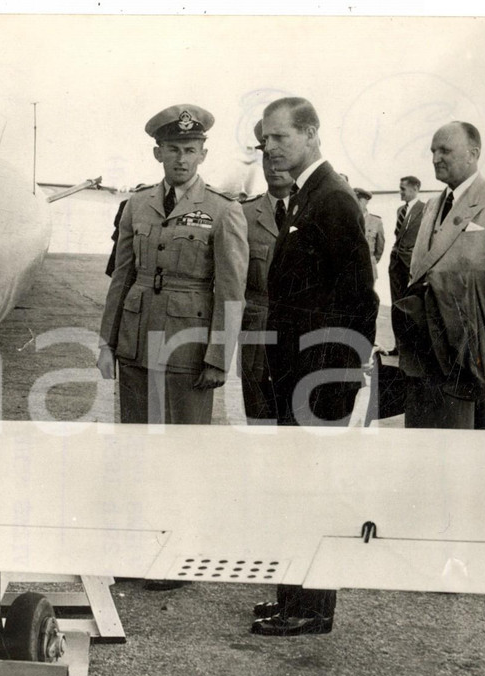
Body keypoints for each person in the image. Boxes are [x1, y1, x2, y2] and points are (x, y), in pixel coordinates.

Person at [251, 96, 379, 637]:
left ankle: (310, 609)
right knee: (296, 491)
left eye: (279, 137)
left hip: (319, 379)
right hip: (299, 374)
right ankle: (294, 598)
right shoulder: (307, 198)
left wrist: (335, 385)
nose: (270, 149)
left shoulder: (333, 200)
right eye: (264, 141)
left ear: (310, 133)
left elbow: (360, 302)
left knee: (312, 492)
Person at [97, 105, 248, 426]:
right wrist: (107, 345)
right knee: (135, 438)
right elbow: (122, 278)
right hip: (135, 344)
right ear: (158, 153)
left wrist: (218, 359)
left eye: (190, 151)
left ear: (202, 155)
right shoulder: (137, 204)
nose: (182, 159)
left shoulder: (222, 209)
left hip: (188, 350)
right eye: (173, 150)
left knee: (184, 447)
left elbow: (231, 291)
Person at [396, 122, 485, 429]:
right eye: (433, 151)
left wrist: (459, 299)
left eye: (445, 150)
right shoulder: (432, 205)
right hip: (425, 349)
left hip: (472, 353)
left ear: (473, 153)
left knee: (471, 448)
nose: (436, 158)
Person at [239, 120, 294, 423]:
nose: (272, 166)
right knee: (258, 423)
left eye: (280, 157)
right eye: (266, 158)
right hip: (256, 341)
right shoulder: (244, 215)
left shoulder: (317, 212)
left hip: (301, 341)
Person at [383, 176, 425, 355]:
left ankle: (413, 349)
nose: (400, 192)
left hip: (412, 266)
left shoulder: (425, 210)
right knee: (396, 305)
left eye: (403, 189)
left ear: (415, 189)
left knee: (413, 307)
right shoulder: (400, 210)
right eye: (400, 189)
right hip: (396, 264)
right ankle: (399, 347)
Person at [354, 187, 385, 279]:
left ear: (366, 201)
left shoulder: (376, 221)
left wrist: (371, 260)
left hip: (369, 267)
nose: (356, 203)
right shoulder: (346, 220)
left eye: (359, 200)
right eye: (353, 200)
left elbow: (380, 247)